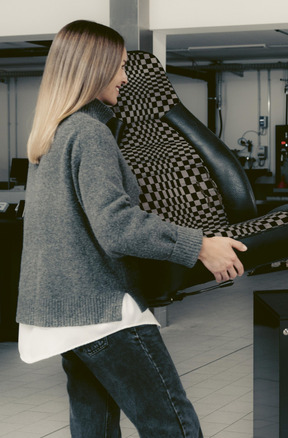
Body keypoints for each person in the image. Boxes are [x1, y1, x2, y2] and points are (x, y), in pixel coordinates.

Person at [16, 20, 247, 437]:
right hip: (101, 311)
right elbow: (117, 225)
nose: (125, 77)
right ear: (94, 68)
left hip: (64, 313)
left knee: (95, 427)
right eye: (120, 67)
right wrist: (198, 245)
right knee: (173, 427)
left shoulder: (51, 135)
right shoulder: (89, 134)